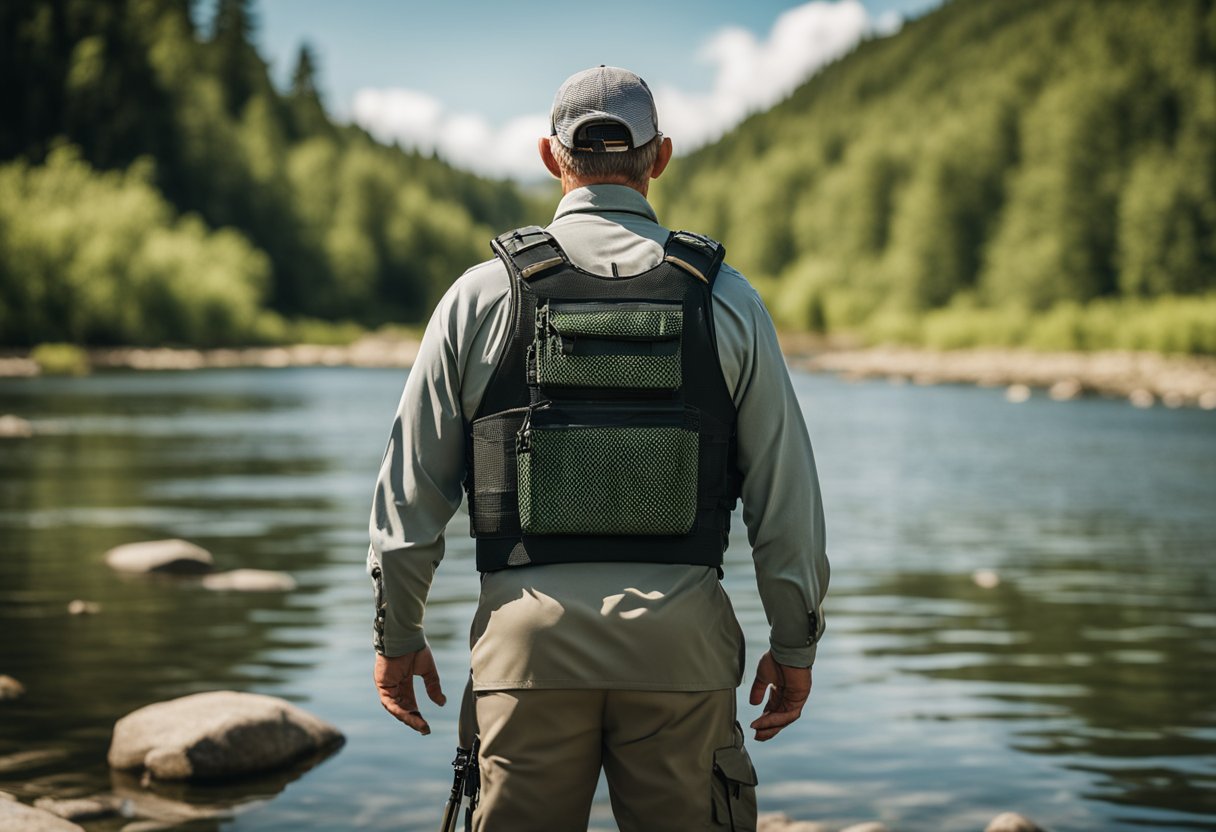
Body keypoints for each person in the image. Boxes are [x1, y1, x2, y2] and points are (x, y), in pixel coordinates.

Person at [367, 65, 829, 832]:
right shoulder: (729, 298)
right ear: (662, 156)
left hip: (526, 651)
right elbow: (788, 496)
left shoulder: (480, 296)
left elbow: (410, 490)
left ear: (552, 158)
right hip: (683, 649)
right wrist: (795, 639)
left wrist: (399, 632)